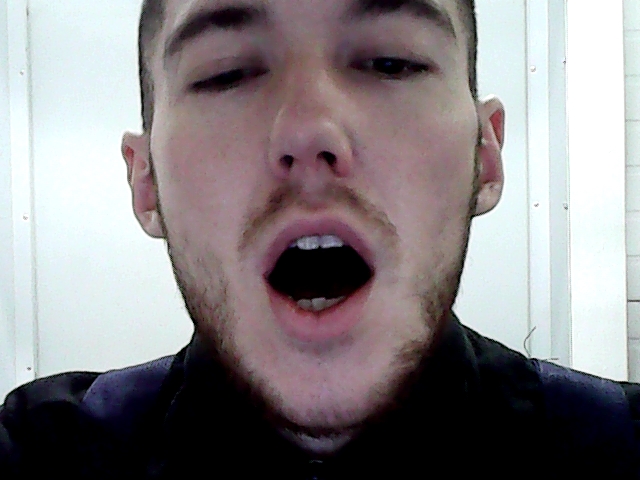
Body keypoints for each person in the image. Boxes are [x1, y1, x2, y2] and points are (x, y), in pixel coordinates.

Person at [1, 0, 639, 477]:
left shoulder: (620, 448)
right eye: (226, 74)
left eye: (390, 63)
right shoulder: (43, 456)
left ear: (485, 156)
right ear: (146, 183)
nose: (308, 130)